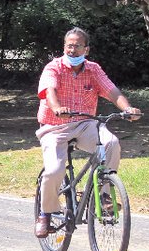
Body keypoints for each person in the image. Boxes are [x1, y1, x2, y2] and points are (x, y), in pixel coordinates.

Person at [34, 27, 141, 238]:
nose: (72, 50)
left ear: (87, 49)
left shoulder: (93, 69)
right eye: (69, 46)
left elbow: (112, 91)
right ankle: (45, 214)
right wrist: (57, 108)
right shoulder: (53, 68)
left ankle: (103, 196)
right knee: (55, 170)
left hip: (85, 125)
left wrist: (127, 109)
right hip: (54, 126)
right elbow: (50, 91)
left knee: (111, 143)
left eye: (77, 46)